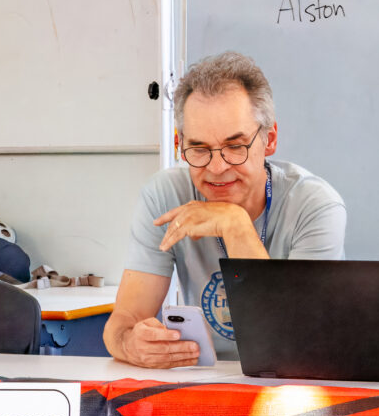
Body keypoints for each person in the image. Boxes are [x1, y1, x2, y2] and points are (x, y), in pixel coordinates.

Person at [103, 51, 346, 367]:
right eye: (199, 148)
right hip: (204, 380)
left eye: (235, 147)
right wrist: (132, 344)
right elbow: (122, 323)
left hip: (294, 379)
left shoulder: (315, 206)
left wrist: (236, 226)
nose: (217, 168)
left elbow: (295, 340)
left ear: (270, 139)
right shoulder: (165, 194)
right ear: (180, 145)